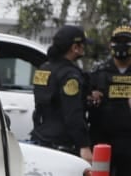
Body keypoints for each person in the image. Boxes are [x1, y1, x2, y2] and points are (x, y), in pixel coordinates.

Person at [87, 25, 131, 176]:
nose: (122, 46)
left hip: (128, 141)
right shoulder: (99, 71)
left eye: (126, 41)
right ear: (111, 45)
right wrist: (92, 99)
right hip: (102, 141)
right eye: (118, 41)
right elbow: (85, 103)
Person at [31, 24, 94, 164]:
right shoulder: (70, 75)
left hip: (41, 137)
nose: (84, 48)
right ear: (75, 48)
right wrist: (84, 145)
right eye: (82, 45)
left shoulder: (43, 69)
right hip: (63, 143)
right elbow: (73, 113)